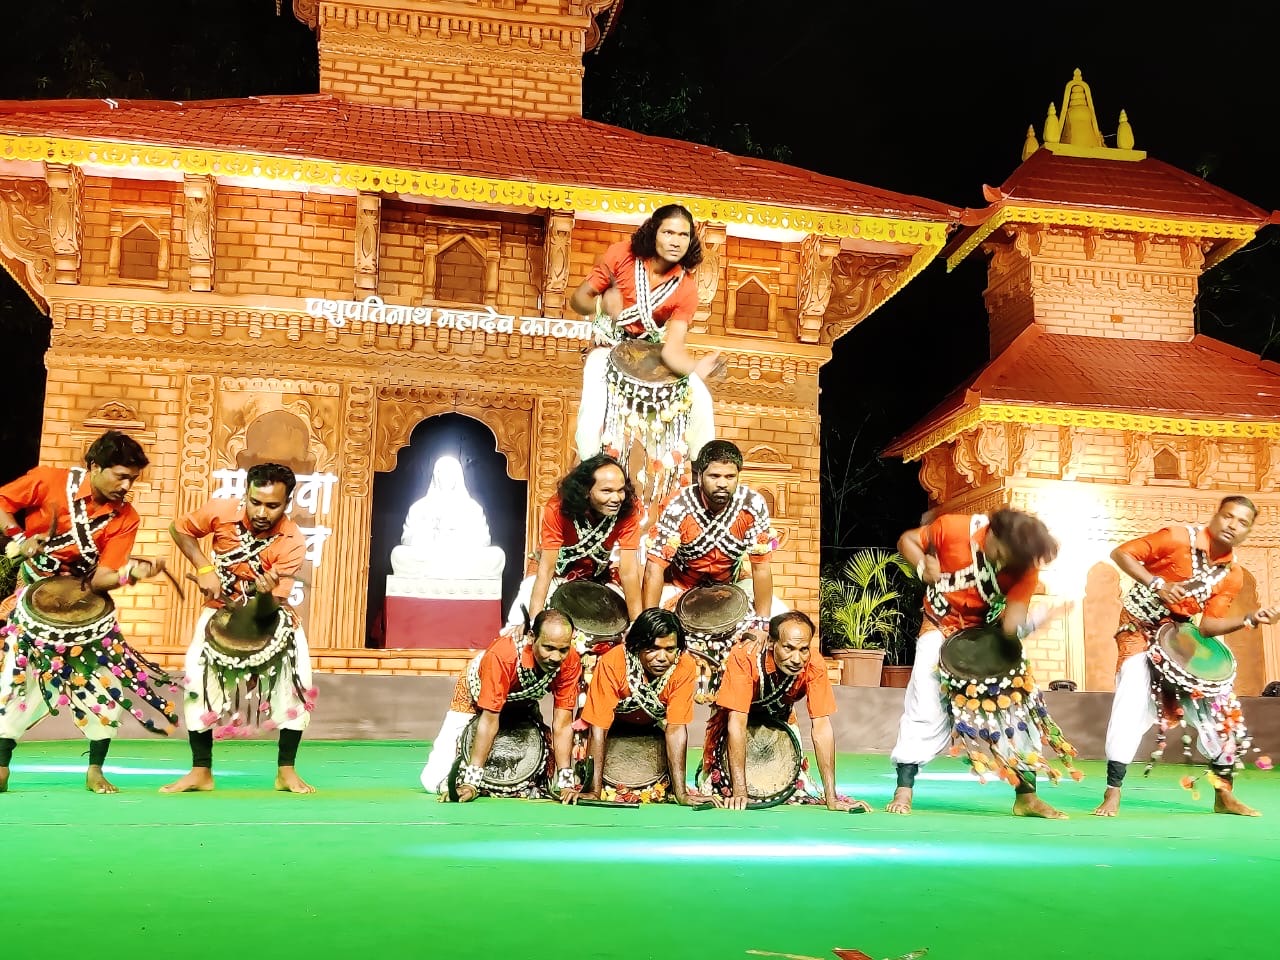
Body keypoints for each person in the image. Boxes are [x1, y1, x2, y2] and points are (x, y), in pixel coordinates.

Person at [0, 430, 176, 794]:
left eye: (133, 479)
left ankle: (95, 770)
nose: (127, 486)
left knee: (103, 682)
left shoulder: (125, 517)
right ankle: (1, 766)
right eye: (121, 476)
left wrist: (130, 574)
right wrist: (19, 538)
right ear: (95, 466)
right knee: (18, 678)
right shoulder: (49, 482)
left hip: (85, 602)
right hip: (35, 594)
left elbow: (101, 578)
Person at [1094, 496, 1274, 817]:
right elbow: (1121, 553)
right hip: (1137, 627)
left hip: (1179, 635)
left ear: (1248, 532)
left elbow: (1208, 627)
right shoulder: (1176, 537)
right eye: (1228, 516)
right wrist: (1157, 583)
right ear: (1216, 516)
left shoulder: (1232, 575)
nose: (1233, 525)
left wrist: (1250, 618)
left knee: (1220, 706)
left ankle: (1224, 795)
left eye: (1243, 523)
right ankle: (1113, 791)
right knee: (1132, 693)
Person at [889, 508, 1071, 818]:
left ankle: (1026, 797)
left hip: (987, 634)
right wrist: (922, 566)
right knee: (924, 699)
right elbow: (907, 540)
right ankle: (903, 789)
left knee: (1017, 705)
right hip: (940, 625)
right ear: (992, 534)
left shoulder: (1023, 566)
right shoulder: (953, 528)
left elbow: (1011, 625)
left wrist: (1033, 622)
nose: (1006, 563)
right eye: (1004, 553)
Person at [161, 462, 315, 795]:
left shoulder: (292, 541)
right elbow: (179, 528)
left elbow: (270, 607)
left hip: (271, 616)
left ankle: (286, 771)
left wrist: (265, 594)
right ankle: (201, 771)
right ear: (245, 493)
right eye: (255, 502)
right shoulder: (221, 511)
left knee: (298, 682)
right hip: (220, 612)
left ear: (287, 503)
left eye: (272, 505)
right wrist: (204, 568)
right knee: (196, 680)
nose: (261, 512)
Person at [569, 204, 719, 492]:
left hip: (650, 354)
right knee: (594, 396)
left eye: (683, 235)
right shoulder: (621, 255)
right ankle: (592, 473)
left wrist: (694, 368)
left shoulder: (686, 288)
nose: (676, 241)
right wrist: (603, 304)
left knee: (701, 396)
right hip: (608, 345)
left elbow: (671, 351)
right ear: (653, 233)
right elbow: (579, 301)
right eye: (668, 232)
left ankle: (705, 477)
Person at [643, 439, 783, 693]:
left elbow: (761, 568)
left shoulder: (752, 504)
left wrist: (762, 623)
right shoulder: (679, 504)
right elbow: (654, 568)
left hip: (731, 584)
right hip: (680, 586)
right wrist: (649, 620)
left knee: (781, 622)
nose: (722, 483)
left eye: (730, 476)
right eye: (714, 476)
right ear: (699, 476)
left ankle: (763, 697)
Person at [701, 611, 870, 813]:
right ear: (772, 643)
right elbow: (736, 722)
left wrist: (831, 798)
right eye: (788, 648)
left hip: (779, 718)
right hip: (733, 718)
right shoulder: (746, 655)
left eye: (803, 649)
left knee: (793, 791)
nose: (797, 659)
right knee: (718, 787)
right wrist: (739, 792)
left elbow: (822, 727)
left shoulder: (814, 664)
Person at [422, 609, 582, 800]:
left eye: (563, 650)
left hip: (522, 705)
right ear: (531, 637)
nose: (556, 657)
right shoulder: (503, 656)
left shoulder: (570, 660)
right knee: (433, 781)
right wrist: (471, 783)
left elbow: (562, 724)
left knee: (541, 781)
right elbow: (489, 721)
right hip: (474, 699)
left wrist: (566, 784)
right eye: (548, 648)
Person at [575, 608, 704, 805]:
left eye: (670, 649)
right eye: (653, 648)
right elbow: (599, 728)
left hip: (652, 731)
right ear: (637, 646)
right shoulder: (612, 662)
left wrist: (681, 794)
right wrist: (594, 791)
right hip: (613, 730)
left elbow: (676, 728)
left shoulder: (684, 666)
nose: (662, 657)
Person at [505, 454, 644, 626]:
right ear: (586, 491)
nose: (616, 498)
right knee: (520, 623)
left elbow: (628, 572)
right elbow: (546, 570)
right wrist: (534, 624)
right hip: (553, 574)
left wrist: (637, 624)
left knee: (618, 625)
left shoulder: (628, 510)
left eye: (620, 490)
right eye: (607, 491)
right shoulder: (557, 508)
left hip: (595, 578)